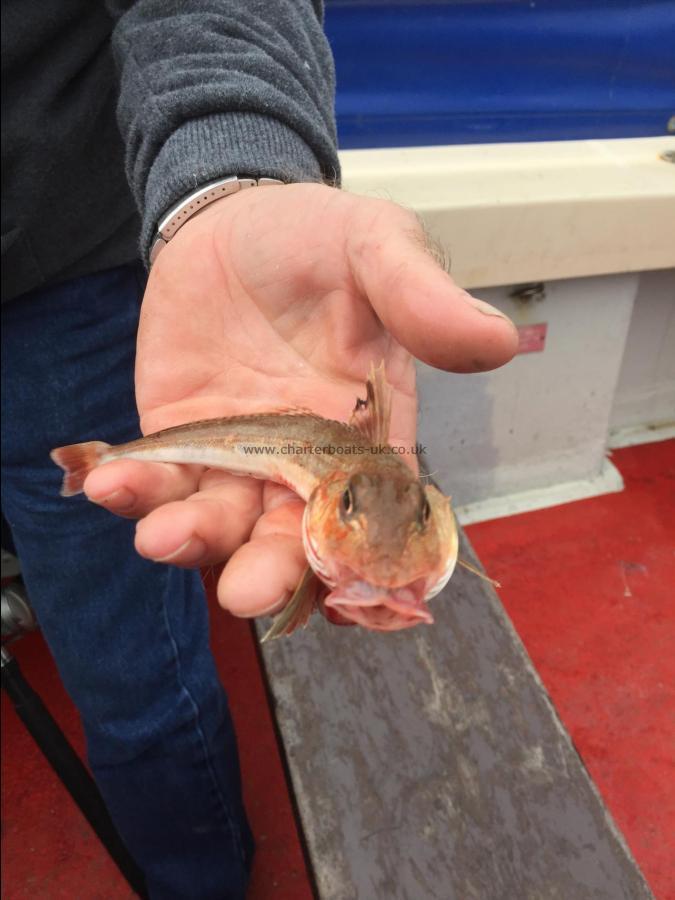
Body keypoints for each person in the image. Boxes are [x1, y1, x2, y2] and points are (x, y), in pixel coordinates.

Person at [1, 2, 518, 897]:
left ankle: (201, 882)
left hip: (63, 273)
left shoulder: (351, 469)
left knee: (126, 672)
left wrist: (230, 172)